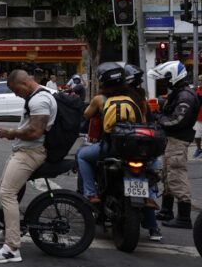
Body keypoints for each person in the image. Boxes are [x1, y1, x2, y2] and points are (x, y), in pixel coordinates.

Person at [0, 70, 56, 264]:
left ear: (25, 83)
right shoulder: (37, 95)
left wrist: (11, 133)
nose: (17, 95)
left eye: (17, 90)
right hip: (23, 151)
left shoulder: (39, 100)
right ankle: (10, 230)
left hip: (30, 153)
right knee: (6, 190)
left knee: (7, 193)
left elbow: (35, 132)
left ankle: (12, 248)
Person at [76, 63, 148, 205]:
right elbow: (144, 122)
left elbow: (86, 115)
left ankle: (90, 193)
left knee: (82, 155)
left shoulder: (100, 99)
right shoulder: (138, 98)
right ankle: (151, 209)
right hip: (137, 147)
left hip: (112, 146)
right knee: (149, 168)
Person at [149, 61, 199, 229]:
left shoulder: (185, 96)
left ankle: (184, 218)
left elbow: (177, 120)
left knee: (177, 176)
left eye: (166, 78)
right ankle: (166, 211)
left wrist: (160, 119)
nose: (165, 82)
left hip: (178, 141)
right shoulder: (178, 93)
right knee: (167, 175)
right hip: (170, 140)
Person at [123, 63, 163, 242]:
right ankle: (153, 226)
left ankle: (91, 198)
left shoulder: (115, 100)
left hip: (124, 149)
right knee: (149, 180)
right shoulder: (143, 101)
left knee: (86, 157)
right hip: (146, 150)